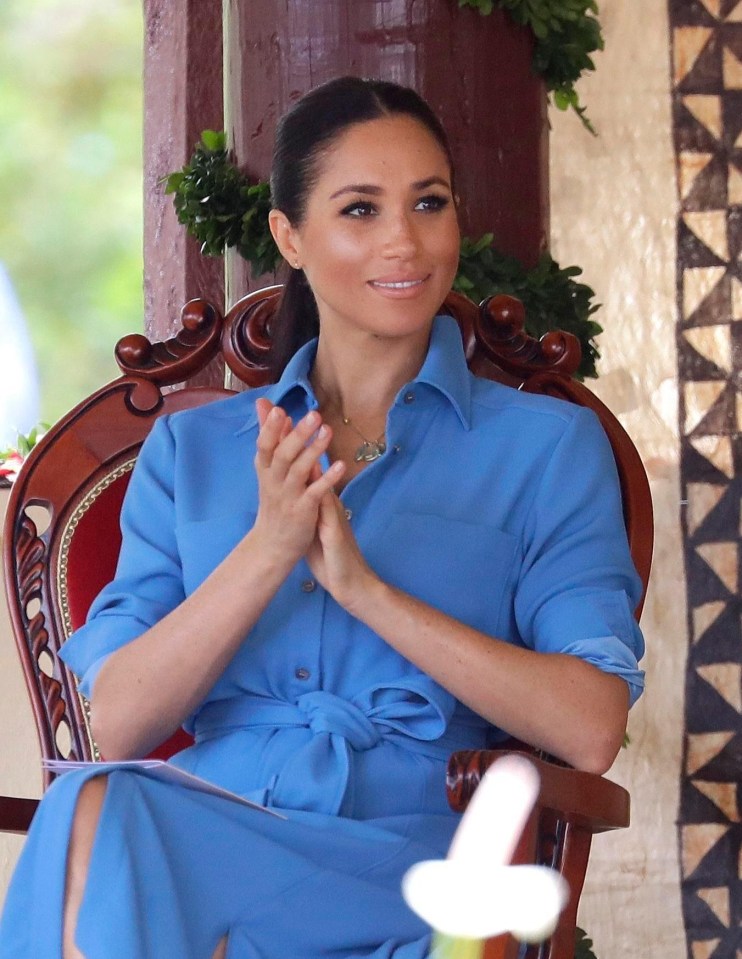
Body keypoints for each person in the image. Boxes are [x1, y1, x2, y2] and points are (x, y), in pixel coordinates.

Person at [0, 76, 645, 959]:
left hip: (421, 860)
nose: (404, 241)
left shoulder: (548, 449)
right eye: (359, 209)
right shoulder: (193, 454)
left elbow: (591, 727)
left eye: (429, 202)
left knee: (113, 853)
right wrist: (268, 548)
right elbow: (118, 721)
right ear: (289, 238)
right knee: (100, 814)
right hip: (212, 830)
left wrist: (363, 587)